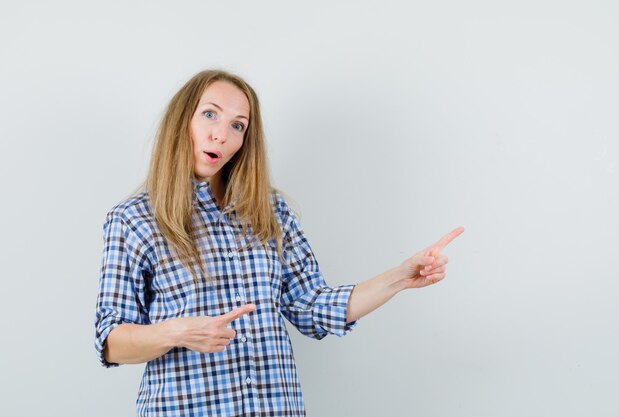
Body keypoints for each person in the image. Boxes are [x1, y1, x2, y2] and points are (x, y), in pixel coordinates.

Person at [94, 69, 464, 416]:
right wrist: (179, 331)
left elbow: (312, 306)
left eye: (237, 125)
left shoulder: (270, 211)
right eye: (210, 115)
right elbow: (112, 341)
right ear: (182, 122)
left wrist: (400, 277)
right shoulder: (133, 220)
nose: (221, 134)